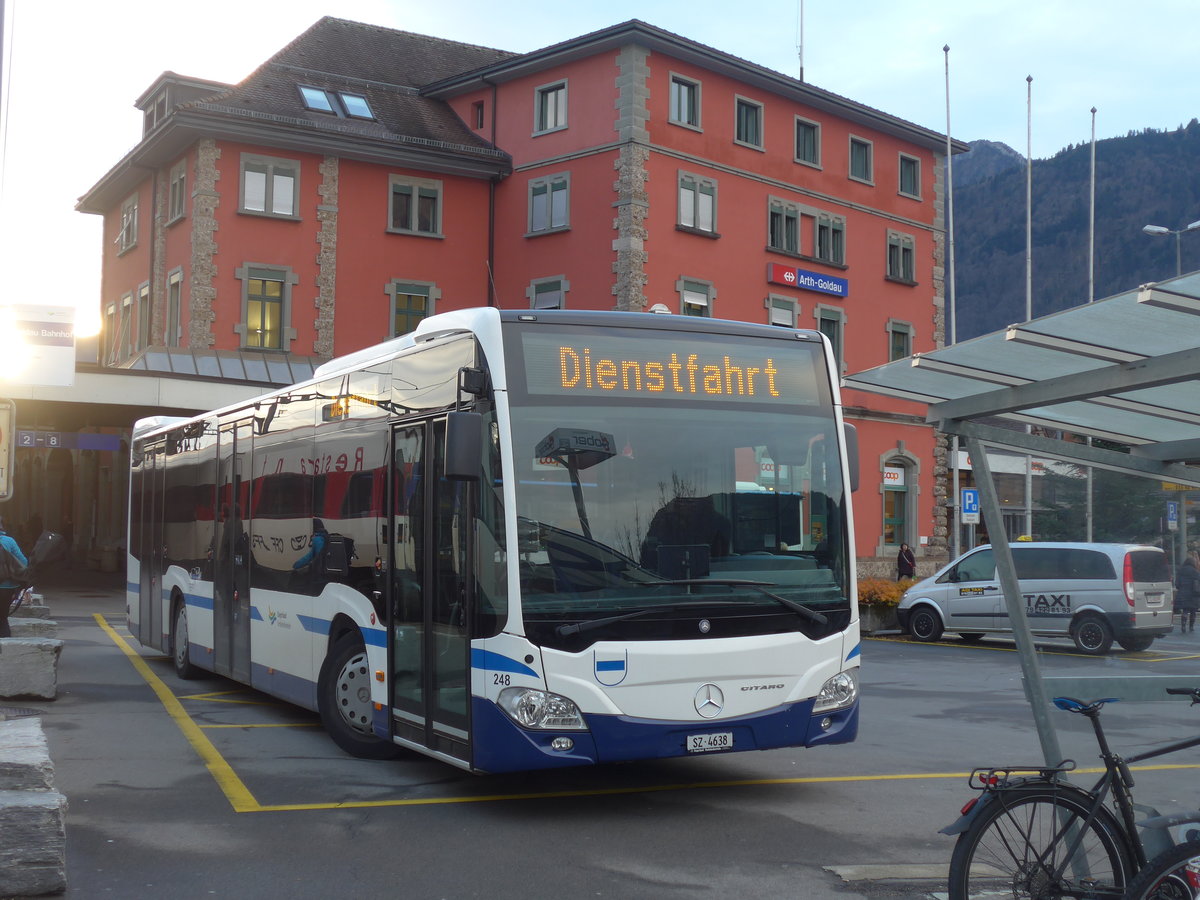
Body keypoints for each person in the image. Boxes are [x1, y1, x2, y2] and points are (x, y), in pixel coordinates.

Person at [0, 516, 29, 638]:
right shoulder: (9, 541)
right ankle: (6, 649)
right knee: (2, 618)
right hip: (7, 587)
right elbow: (24, 562)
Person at [1176, 551, 1200, 634]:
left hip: (1183, 593)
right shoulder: (1195, 572)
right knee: (1193, 611)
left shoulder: (1180, 571)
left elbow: (1177, 584)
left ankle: (1183, 625)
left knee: (1185, 611)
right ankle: (1191, 627)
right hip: (1194, 594)